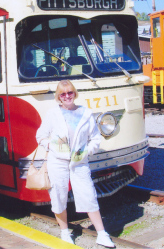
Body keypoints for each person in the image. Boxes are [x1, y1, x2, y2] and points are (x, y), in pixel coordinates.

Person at [36, 80, 115, 247]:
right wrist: (52, 145)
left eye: (70, 93)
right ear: (58, 96)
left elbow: (95, 139)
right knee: (58, 196)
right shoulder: (52, 114)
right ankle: (65, 232)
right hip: (57, 162)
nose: (67, 96)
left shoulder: (86, 113)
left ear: (75, 93)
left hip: (79, 162)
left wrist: (86, 151)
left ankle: (101, 233)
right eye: (63, 94)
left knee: (88, 194)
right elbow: (40, 136)